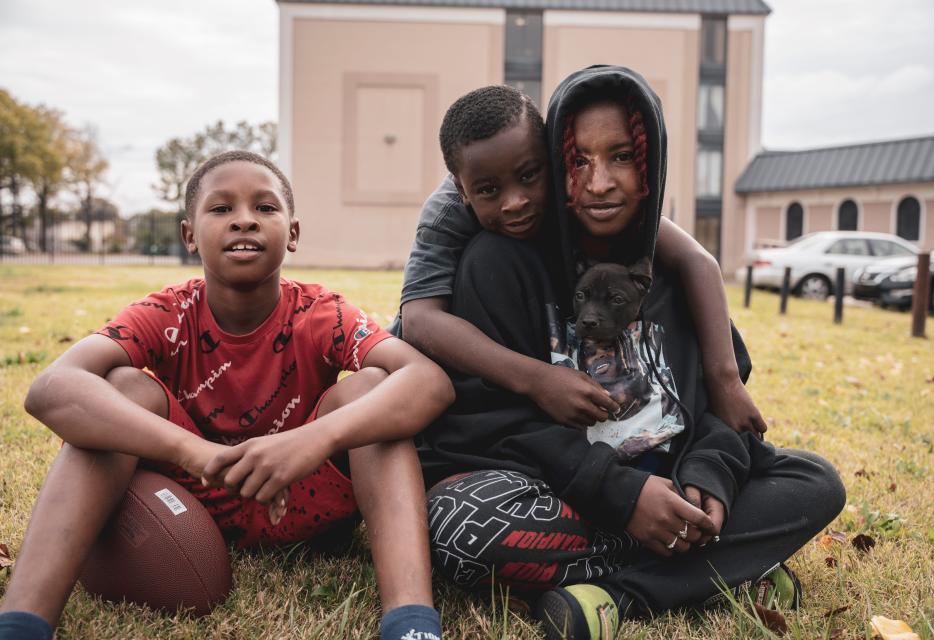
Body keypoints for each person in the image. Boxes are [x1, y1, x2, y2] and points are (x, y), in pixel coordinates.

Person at [406, 69, 845, 640]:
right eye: (579, 160)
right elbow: (489, 423)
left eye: (622, 157)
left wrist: (706, 479)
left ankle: (619, 595)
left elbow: (723, 412)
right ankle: (729, 566)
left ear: (651, 167)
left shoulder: (676, 269)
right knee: (463, 527)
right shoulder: (498, 261)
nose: (600, 182)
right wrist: (624, 496)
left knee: (816, 483)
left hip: (670, 482)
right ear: (559, 161)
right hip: (567, 492)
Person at [0, 151, 453, 640]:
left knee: (371, 390)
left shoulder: (321, 312)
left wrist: (313, 440)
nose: (243, 220)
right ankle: (23, 620)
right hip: (194, 498)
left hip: (305, 497)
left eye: (265, 208)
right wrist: (200, 455)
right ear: (189, 235)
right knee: (123, 388)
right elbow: (50, 388)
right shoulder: (169, 311)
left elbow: (429, 382)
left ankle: (411, 623)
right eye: (221, 209)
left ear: (293, 234)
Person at [396, 84, 766, 438]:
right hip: (454, 364)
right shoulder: (447, 213)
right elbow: (419, 320)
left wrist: (725, 379)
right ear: (463, 190)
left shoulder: (573, 181)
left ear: (551, 155)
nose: (515, 202)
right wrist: (537, 379)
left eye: (529, 175)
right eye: (489, 191)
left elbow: (695, 258)